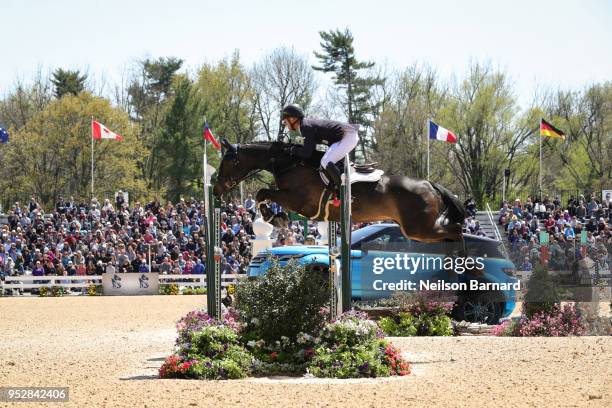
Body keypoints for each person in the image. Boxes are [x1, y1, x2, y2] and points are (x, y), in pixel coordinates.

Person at [281, 104, 359, 191]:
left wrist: (292, 149)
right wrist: (293, 147)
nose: (287, 126)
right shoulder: (304, 126)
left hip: (348, 135)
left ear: (292, 119)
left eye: (286, 122)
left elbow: (306, 153)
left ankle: (342, 190)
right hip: (343, 137)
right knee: (326, 161)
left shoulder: (306, 127)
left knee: (325, 161)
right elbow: (306, 148)